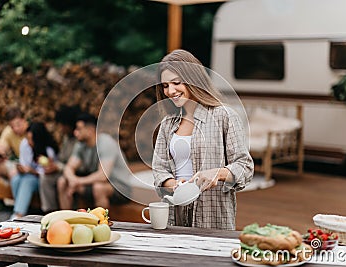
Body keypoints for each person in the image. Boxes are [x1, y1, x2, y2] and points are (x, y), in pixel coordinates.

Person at [152, 49, 254, 230]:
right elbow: (159, 169)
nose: (170, 91)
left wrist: (217, 173)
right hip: (175, 213)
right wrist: (175, 185)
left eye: (176, 83)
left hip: (212, 214)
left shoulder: (225, 116)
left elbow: (244, 167)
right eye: (165, 86)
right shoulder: (168, 123)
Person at [57, 112, 131, 210]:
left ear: (90, 130)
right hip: (93, 183)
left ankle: (103, 222)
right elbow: (69, 167)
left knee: (99, 188)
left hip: (119, 187)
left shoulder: (105, 143)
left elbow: (103, 176)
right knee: (62, 182)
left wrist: (78, 181)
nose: (75, 132)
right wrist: (72, 180)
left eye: (79, 129)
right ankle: (66, 220)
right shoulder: (81, 145)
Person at [10, 122, 59, 219]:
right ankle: (20, 209)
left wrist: (32, 171)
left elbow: (46, 172)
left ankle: (18, 215)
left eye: (31, 139)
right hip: (27, 175)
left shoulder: (48, 150)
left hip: (40, 179)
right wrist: (21, 169)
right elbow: (24, 163)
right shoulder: (25, 144)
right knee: (16, 179)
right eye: (27, 138)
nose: (28, 142)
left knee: (27, 181)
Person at [39, 105, 81, 213]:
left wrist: (58, 167)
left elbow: (78, 164)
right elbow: (62, 158)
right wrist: (53, 164)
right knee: (45, 178)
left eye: (63, 125)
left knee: (62, 182)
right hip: (63, 170)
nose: (61, 128)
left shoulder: (79, 140)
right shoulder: (67, 138)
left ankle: (66, 214)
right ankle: (49, 211)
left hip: (77, 173)